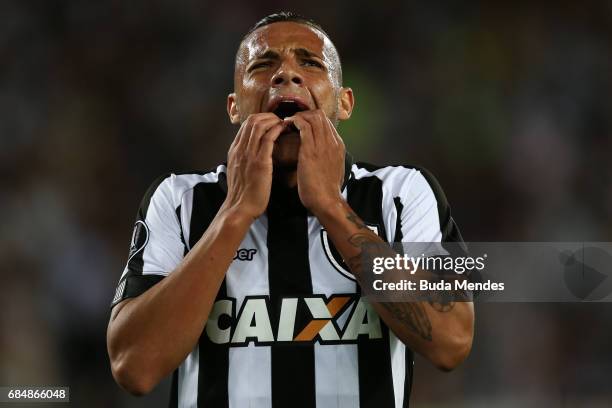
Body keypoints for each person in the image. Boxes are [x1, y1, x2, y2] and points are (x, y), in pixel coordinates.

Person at [106, 11, 474, 408]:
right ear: (234, 107)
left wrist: (331, 206)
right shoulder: (180, 199)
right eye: (263, 65)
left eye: (310, 63)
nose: (286, 74)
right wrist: (235, 212)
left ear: (344, 103)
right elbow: (133, 366)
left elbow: (450, 341)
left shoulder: (401, 193)